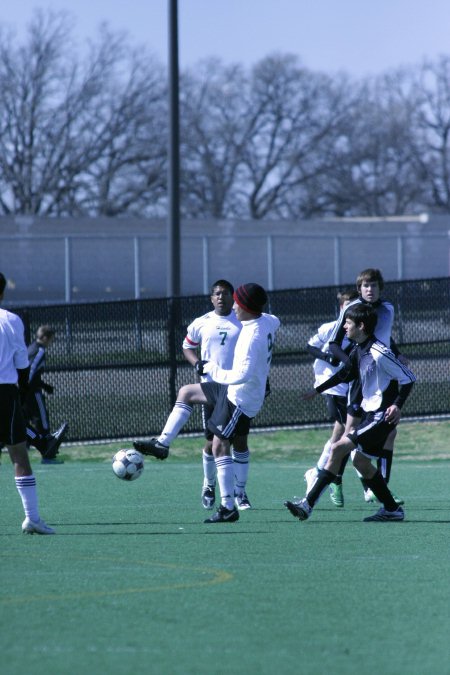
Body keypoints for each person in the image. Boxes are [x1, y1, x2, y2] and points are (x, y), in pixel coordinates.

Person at [134, 283, 280, 523]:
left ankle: (228, 506)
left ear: (244, 306)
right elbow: (274, 320)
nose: (233, 306)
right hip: (229, 388)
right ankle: (162, 444)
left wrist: (211, 367)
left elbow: (240, 375)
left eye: (236, 302)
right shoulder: (267, 321)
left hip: (240, 398)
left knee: (219, 446)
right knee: (186, 392)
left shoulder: (250, 336)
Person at [285, 303, 416, 522]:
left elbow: (409, 378)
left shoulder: (379, 352)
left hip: (380, 416)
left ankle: (307, 504)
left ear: (361, 326)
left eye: (348, 322)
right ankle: (392, 509)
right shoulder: (359, 349)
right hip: (370, 415)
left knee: (337, 448)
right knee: (360, 463)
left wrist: (397, 405)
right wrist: (317, 390)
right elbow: (345, 375)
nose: (344, 326)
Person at [325, 268, 405, 504]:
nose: (370, 289)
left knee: (389, 430)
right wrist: (351, 361)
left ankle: (378, 488)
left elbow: (385, 338)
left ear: (381, 288)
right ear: (359, 288)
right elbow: (333, 344)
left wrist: (397, 354)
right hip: (361, 380)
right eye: (365, 286)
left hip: (383, 378)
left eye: (374, 285)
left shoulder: (388, 308)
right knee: (347, 433)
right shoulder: (351, 309)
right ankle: (335, 481)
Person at [182, 279, 253, 511]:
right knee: (212, 442)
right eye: (216, 294)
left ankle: (240, 492)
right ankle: (209, 484)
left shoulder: (243, 322)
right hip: (211, 390)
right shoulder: (202, 322)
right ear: (211, 298)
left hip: (238, 390)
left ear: (233, 296)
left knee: (240, 441)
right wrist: (196, 363)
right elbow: (187, 346)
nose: (221, 297)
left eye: (225, 293)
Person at [0, 272, 55, 534]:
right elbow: (22, 361)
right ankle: (32, 518)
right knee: (19, 455)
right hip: (4, 394)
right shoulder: (10, 320)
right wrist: (21, 394)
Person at [304, 288, 359, 507]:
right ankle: (325, 475)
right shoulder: (331, 328)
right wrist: (328, 356)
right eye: (347, 304)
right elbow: (310, 346)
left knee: (344, 432)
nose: (351, 308)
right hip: (331, 384)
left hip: (348, 385)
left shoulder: (357, 328)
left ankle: (321, 473)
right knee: (343, 428)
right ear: (341, 306)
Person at [24, 325, 68, 464]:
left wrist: (45, 385)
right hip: (31, 391)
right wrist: (26, 389)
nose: (51, 343)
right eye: (51, 340)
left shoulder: (30, 348)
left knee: (23, 422)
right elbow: (30, 371)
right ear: (44, 337)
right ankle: (47, 447)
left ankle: (40, 445)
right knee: (41, 418)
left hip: (26, 390)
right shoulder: (39, 351)